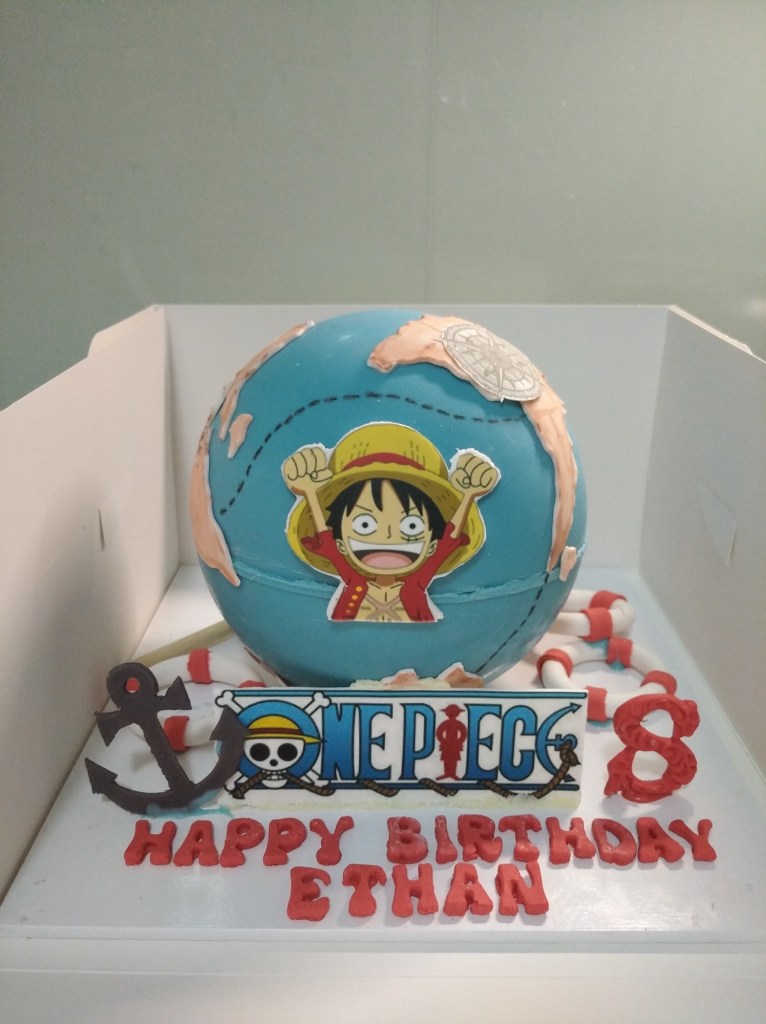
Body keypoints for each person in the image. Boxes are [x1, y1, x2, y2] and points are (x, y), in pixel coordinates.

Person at [283, 422, 499, 622]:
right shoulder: (353, 579)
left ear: (432, 546)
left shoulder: (417, 582)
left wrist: (469, 495)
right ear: (341, 545)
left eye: (411, 526)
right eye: (364, 525)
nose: (387, 536)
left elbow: (449, 538)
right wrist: (309, 492)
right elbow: (324, 536)